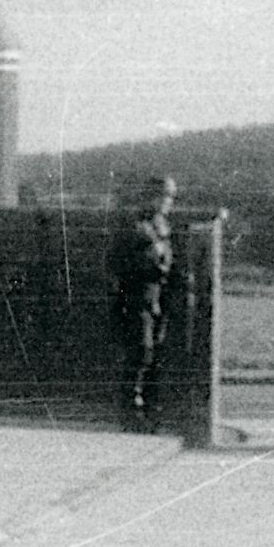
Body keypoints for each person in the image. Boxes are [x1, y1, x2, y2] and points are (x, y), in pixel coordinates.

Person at [110, 174, 184, 437]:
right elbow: (117, 262)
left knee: (153, 355)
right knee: (140, 352)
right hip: (136, 296)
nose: (168, 202)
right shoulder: (136, 226)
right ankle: (131, 411)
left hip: (157, 297)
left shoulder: (162, 227)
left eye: (171, 196)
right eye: (164, 196)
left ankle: (148, 411)